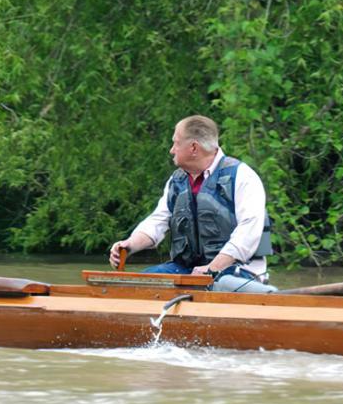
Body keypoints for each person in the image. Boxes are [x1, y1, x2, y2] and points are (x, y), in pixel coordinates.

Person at [108, 115, 273, 284]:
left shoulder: (243, 177)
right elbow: (157, 221)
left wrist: (212, 268)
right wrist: (129, 245)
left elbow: (248, 233)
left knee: (224, 284)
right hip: (188, 269)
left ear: (194, 148)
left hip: (239, 272)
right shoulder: (176, 181)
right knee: (140, 283)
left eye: (176, 143)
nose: (172, 150)